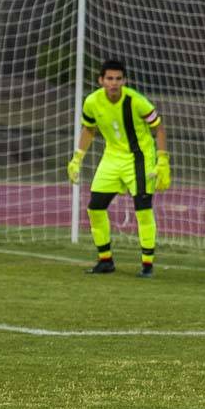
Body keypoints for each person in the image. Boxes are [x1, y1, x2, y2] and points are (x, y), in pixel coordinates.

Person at [67, 59, 170, 278]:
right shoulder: (92, 102)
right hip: (112, 158)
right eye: (109, 79)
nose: (114, 83)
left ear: (124, 81)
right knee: (95, 207)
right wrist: (77, 158)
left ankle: (147, 265)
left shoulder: (136, 101)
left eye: (118, 79)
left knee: (143, 209)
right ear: (101, 80)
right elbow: (89, 129)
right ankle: (105, 261)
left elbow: (159, 129)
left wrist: (162, 160)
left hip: (140, 158)